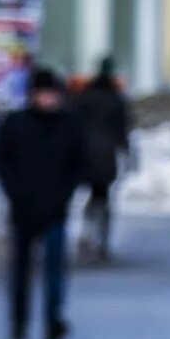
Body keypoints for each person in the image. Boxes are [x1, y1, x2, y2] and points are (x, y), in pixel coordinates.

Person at [0, 66, 88, 339]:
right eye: (43, 94)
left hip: (56, 208)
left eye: (51, 94)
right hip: (22, 208)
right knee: (21, 270)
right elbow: (2, 163)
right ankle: (19, 323)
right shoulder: (16, 124)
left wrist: (65, 194)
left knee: (55, 270)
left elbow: (77, 164)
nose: (48, 100)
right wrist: (15, 193)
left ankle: (52, 320)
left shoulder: (69, 124)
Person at [72, 58, 131, 263]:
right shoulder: (115, 99)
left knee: (86, 195)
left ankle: (86, 233)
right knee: (102, 197)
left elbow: (72, 122)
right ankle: (101, 241)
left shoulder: (84, 97)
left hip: (83, 153)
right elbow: (122, 128)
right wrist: (125, 150)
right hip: (105, 154)